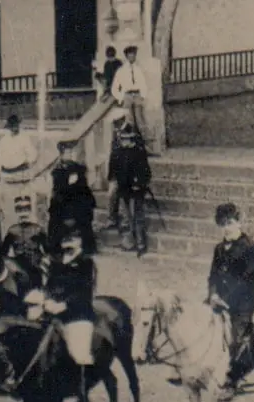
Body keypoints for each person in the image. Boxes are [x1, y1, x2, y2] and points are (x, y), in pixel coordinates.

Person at [206, 203, 254, 401]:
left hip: (241, 304)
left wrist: (225, 300)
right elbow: (213, 276)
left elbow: (245, 280)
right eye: (222, 224)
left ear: (239, 222)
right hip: (218, 300)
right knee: (199, 324)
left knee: (236, 341)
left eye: (229, 223)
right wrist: (213, 295)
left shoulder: (251, 247)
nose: (226, 228)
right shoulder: (219, 248)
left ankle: (232, 381)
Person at [40, 231, 98, 402]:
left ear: (80, 242)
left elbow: (85, 290)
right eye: (65, 239)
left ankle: (79, 391)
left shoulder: (86, 263)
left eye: (72, 240)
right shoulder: (57, 261)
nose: (68, 243)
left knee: (78, 350)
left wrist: (64, 305)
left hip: (77, 311)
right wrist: (47, 300)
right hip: (53, 309)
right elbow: (50, 285)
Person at [110, 119, 151, 256]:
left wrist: (140, 183)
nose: (125, 142)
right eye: (123, 139)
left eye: (127, 139)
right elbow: (114, 170)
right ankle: (129, 242)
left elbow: (146, 172)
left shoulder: (138, 153)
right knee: (126, 216)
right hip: (124, 189)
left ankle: (141, 243)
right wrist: (115, 181)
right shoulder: (118, 153)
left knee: (138, 216)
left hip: (136, 189)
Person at [48, 141, 97, 256]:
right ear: (61, 155)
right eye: (67, 153)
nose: (69, 155)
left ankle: (88, 247)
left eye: (70, 152)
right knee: (54, 217)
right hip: (63, 202)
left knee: (84, 213)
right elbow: (58, 189)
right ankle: (54, 247)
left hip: (78, 201)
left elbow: (83, 186)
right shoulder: (57, 170)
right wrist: (68, 182)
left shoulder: (78, 168)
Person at [0, 114, 40, 228]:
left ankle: (26, 227)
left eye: (15, 125)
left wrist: (27, 162)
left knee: (23, 205)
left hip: (21, 177)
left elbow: (33, 154)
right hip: (8, 178)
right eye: (11, 126)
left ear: (18, 125)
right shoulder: (4, 140)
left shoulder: (24, 138)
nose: (14, 128)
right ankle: (11, 227)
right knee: (9, 208)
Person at [1, 194, 51, 298]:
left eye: (26, 208)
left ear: (30, 210)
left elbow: (47, 250)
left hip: (36, 267)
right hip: (19, 268)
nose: (23, 212)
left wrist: (44, 261)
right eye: (20, 209)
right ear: (16, 211)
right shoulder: (12, 230)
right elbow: (3, 252)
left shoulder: (37, 229)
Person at [111, 45, 151, 140]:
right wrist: (121, 97)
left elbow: (143, 83)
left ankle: (144, 142)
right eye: (130, 55)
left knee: (140, 119)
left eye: (134, 54)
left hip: (137, 95)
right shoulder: (121, 70)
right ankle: (132, 143)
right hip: (127, 96)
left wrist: (143, 95)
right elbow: (115, 87)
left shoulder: (138, 69)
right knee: (129, 120)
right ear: (126, 56)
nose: (132, 57)